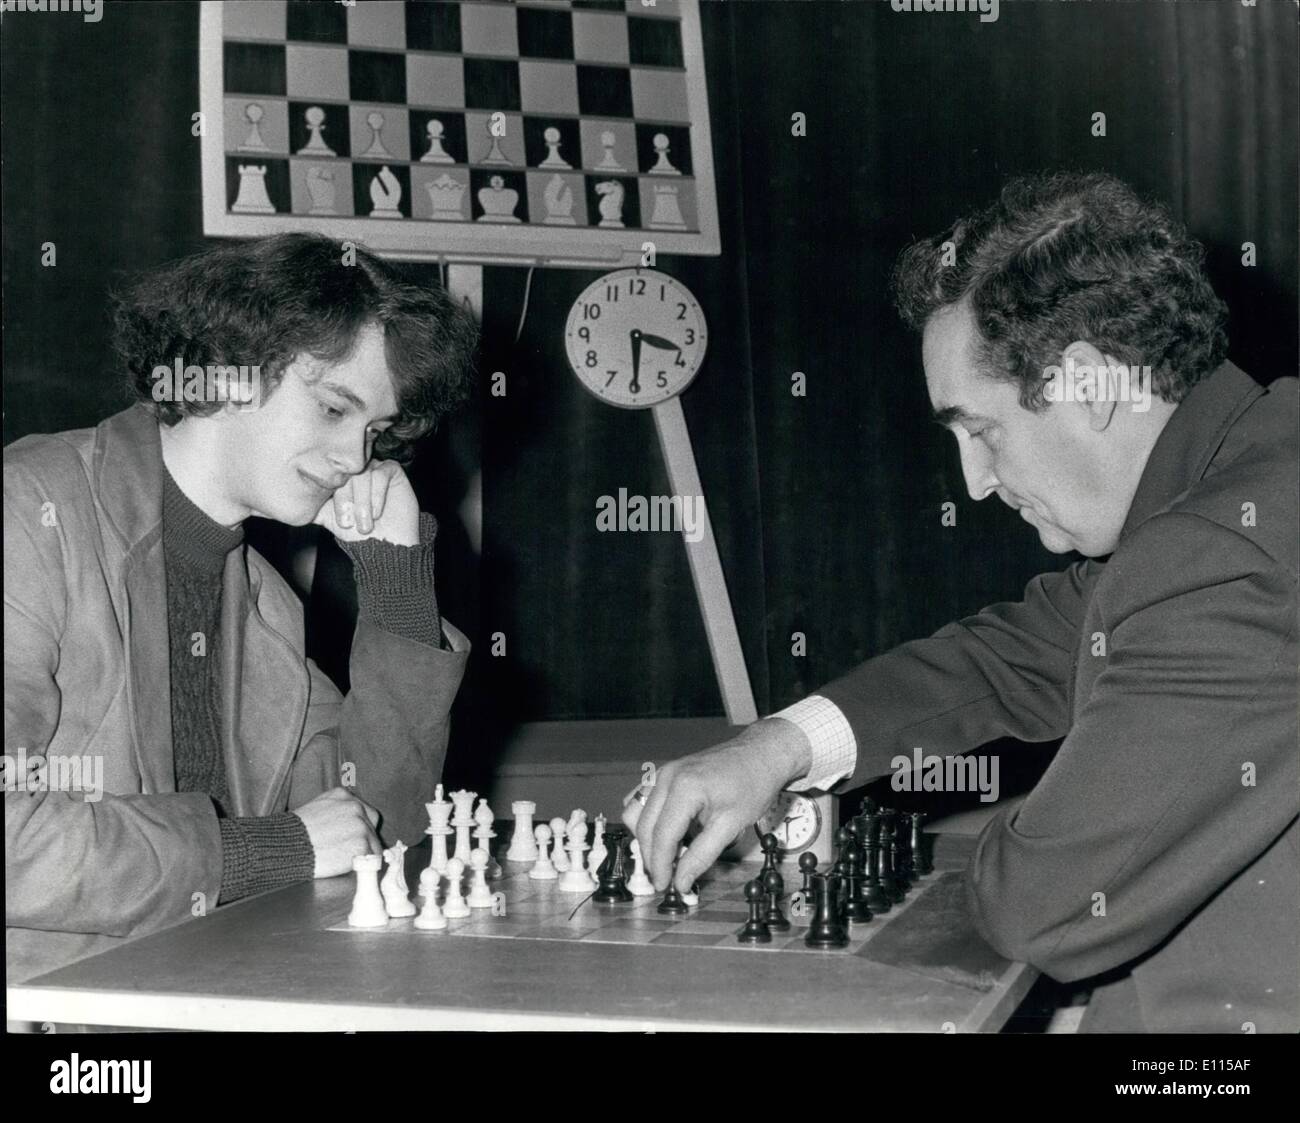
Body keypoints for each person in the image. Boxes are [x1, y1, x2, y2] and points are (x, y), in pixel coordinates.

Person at [631, 173, 1298, 1033]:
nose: (975, 484)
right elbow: (1022, 651)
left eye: (980, 432)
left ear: (1089, 385)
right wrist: (784, 746)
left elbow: (1041, 904)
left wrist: (933, 857)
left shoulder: (1227, 562)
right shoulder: (1241, 473)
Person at [4, 233, 477, 983]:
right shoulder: (29, 510)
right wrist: (258, 852)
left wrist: (397, 587)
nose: (356, 458)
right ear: (226, 370)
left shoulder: (262, 599)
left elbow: (376, 825)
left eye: (375, 432)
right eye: (332, 408)